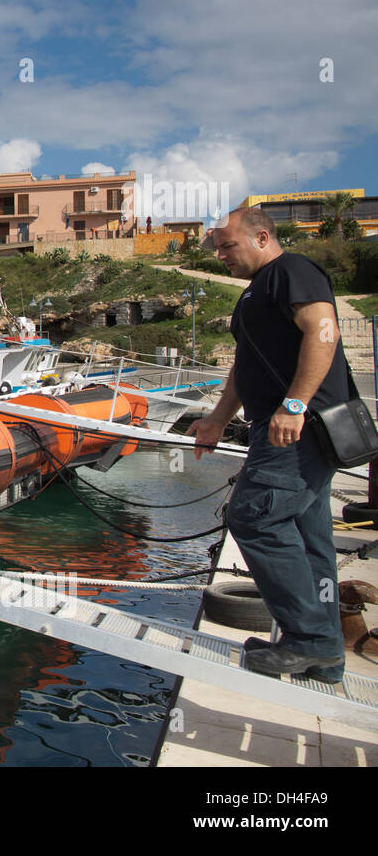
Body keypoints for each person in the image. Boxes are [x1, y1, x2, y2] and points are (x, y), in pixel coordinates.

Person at [191, 207, 348, 681]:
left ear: (261, 237)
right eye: (217, 248)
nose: (220, 256)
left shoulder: (291, 272)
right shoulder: (253, 296)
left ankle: (309, 641)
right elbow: (246, 366)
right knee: (306, 535)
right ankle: (324, 650)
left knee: (254, 517)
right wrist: (217, 419)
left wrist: (295, 406)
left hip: (299, 427)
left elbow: (324, 331)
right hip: (279, 426)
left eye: (227, 246)